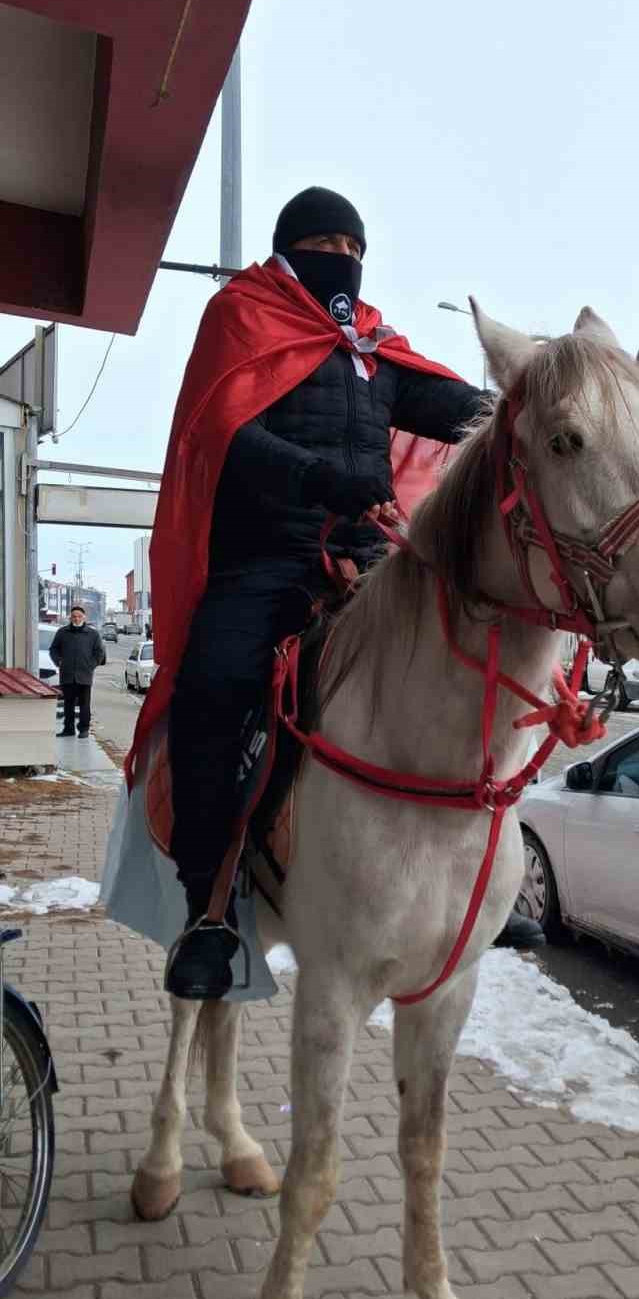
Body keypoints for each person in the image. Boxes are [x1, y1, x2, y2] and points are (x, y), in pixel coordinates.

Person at [126, 185, 540, 1002]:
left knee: (474, 664)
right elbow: (226, 436)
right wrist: (323, 477)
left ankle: (480, 888)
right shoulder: (241, 316)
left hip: (365, 565)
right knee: (213, 690)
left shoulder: (374, 344)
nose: (341, 261)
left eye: (353, 250)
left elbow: (447, 404)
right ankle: (208, 908)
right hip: (264, 562)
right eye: (325, 246)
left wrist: (521, 406)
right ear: (289, 249)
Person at [50, 606, 106, 737]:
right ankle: (68, 729)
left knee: (84, 704)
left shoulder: (93, 634)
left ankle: (84, 729)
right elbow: (53, 649)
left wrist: (91, 665)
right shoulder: (62, 632)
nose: (76, 619)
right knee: (68, 704)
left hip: (84, 675)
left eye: (79, 616)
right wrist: (58, 661)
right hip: (67, 674)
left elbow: (100, 653)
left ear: (84, 617)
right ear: (70, 618)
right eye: (74, 616)